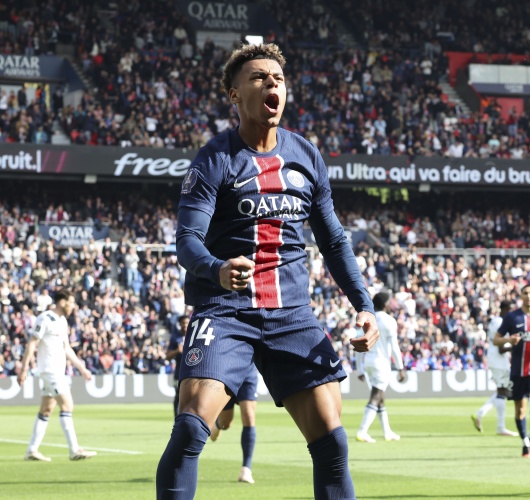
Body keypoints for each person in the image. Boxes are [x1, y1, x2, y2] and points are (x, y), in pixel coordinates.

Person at [156, 42, 379, 500]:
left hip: (292, 313)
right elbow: (187, 240)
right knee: (192, 427)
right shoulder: (214, 158)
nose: (271, 84)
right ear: (235, 95)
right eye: (259, 77)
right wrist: (217, 268)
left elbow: (334, 241)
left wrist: (364, 305)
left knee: (333, 442)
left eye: (278, 78)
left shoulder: (306, 156)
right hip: (225, 310)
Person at [16, 289, 97, 462]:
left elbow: (66, 348)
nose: (73, 306)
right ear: (62, 302)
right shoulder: (44, 319)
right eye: (71, 302)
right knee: (67, 405)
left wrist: (82, 368)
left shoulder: (62, 321)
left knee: (46, 410)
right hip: (49, 371)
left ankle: (31, 450)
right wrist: (23, 369)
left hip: (57, 371)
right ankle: (74, 450)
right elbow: (32, 344)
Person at [493, 285, 530, 458]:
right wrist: (508, 340)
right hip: (518, 369)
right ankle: (525, 441)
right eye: (525, 293)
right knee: (520, 409)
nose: (528, 296)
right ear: (521, 296)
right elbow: (496, 339)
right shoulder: (512, 317)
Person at [354, 291, 406, 443]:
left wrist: (360, 368)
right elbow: (394, 346)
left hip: (369, 361)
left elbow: (359, 343)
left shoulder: (369, 319)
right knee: (376, 396)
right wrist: (400, 367)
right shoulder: (389, 321)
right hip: (381, 363)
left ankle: (387, 432)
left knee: (380, 398)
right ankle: (362, 431)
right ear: (385, 304)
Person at [471, 299, 518, 436]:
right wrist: (515, 346)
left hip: (494, 358)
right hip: (499, 360)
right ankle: (500, 427)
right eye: (510, 310)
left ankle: (480, 414)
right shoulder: (501, 323)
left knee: (504, 391)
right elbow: (501, 348)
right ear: (505, 309)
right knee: (503, 391)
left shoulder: (495, 321)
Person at [208, 368, 259, 484]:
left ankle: (246, 469)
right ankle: (217, 425)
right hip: (227, 373)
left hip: (248, 373)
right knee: (226, 423)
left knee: (249, 415)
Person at [165, 315, 190, 417]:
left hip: (193, 371)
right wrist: (177, 351)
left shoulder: (194, 335)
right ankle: (177, 418)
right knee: (178, 395)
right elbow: (167, 357)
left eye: (187, 323)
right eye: (183, 323)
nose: (185, 325)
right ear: (179, 324)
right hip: (179, 372)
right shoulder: (175, 337)